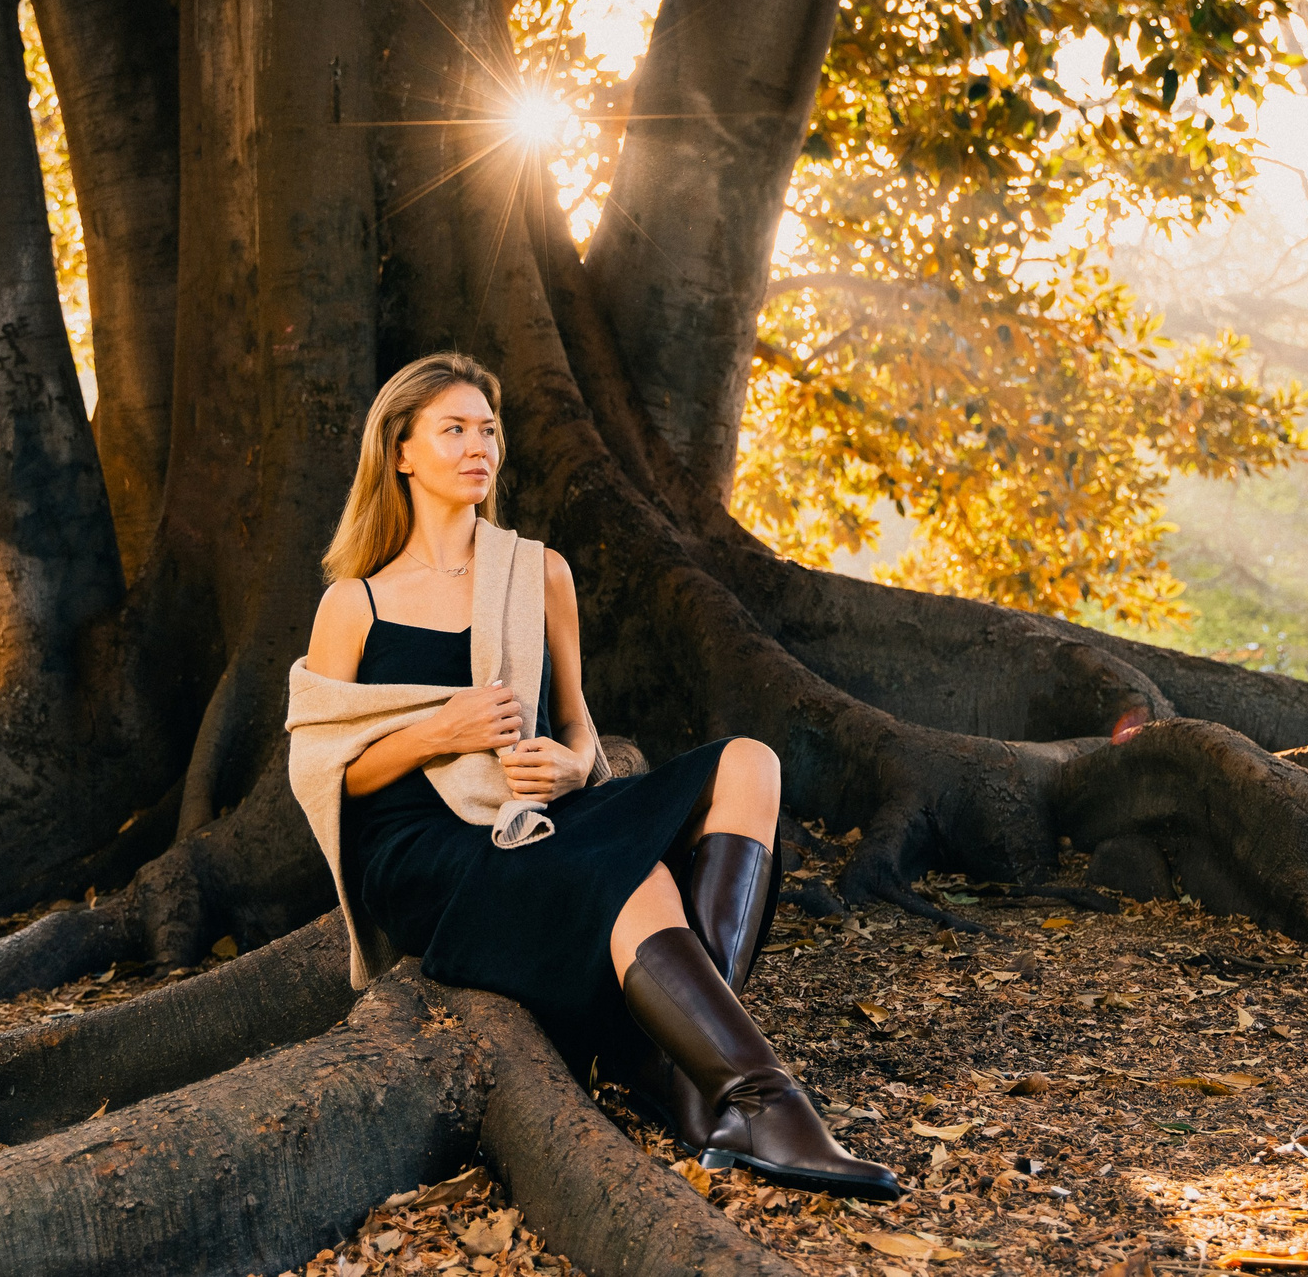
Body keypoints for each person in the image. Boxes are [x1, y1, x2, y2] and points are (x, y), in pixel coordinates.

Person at [292, 351, 898, 1201]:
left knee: (749, 764)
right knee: (637, 875)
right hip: (423, 851)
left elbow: (576, 724)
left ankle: (691, 1075)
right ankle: (763, 1102)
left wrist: (574, 762)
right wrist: (443, 729)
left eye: (490, 431)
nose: (480, 448)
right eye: (455, 429)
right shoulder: (354, 603)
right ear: (400, 451)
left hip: (536, 811)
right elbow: (330, 772)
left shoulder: (536, 571)